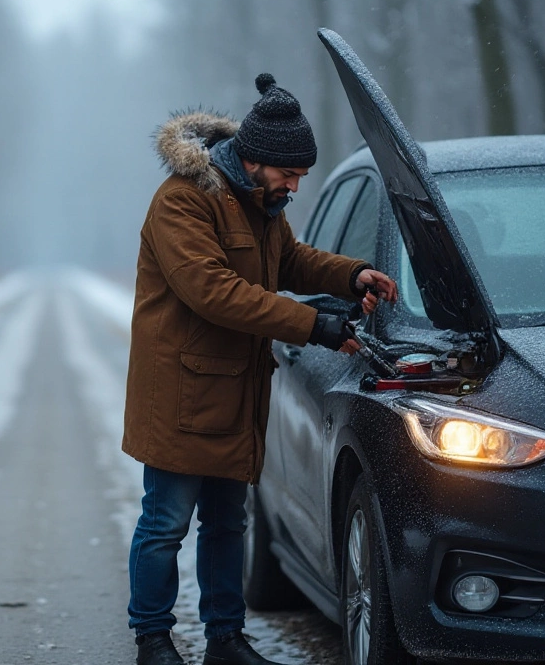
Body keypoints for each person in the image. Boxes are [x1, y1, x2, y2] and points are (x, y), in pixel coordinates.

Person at [123, 74, 399, 665]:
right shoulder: (182, 201)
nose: (296, 186)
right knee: (165, 523)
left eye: (301, 176)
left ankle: (225, 640)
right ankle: (152, 640)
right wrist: (313, 325)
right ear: (255, 160)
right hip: (181, 392)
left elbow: (289, 261)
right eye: (290, 175)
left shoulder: (262, 204)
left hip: (237, 390)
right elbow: (213, 290)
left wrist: (350, 275)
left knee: (228, 523)